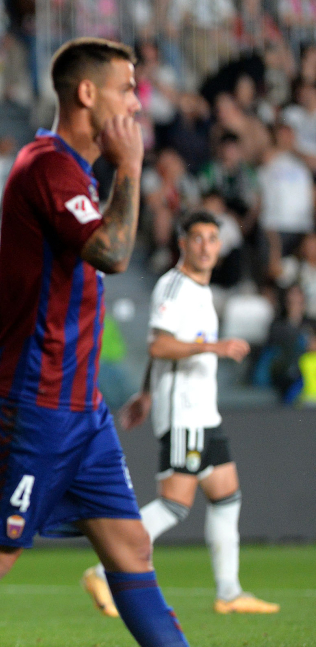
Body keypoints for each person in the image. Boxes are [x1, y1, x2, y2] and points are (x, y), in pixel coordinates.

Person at [0, 38, 203, 647]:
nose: (138, 103)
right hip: (32, 402)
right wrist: (131, 169)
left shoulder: (73, 174)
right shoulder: (47, 165)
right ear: (88, 94)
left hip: (80, 409)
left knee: (132, 547)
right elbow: (112, 252)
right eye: (128, 88)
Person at [82, 211, 280, 618]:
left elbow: (165, 350)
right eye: (199, 238)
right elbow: (159, 346)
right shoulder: (174, 287)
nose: (207, 246)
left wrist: (144, 394)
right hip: (185, 412)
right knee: (175, 504)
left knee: (227, 497)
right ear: (183, 243)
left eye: (213, 238)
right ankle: (103, 571)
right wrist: (214, 348)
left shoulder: (200, 290)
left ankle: (229, 591)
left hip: (203, 412)